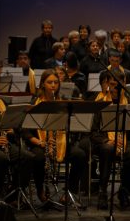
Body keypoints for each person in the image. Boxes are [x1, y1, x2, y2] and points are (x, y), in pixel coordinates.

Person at [22, 69, 87, 203]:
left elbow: (71, 127)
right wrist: (40, 143)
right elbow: (25, 131)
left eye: (56, 82)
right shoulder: (35, 102)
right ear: (43, 84)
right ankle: (40, 190)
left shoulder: (63, 102)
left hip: (60, 142)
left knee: (80, 155)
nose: (53, 85)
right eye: (49, 82)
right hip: (39, 142)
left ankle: (69, 190)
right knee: (39, 157)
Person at [0, 68, 34, 205]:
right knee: (1, 158)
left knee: (28, 158)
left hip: (2, 142)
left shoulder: (1, 103)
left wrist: (10, 131)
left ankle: (12, 193)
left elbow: (7, 126)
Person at [91, 69, 130, 209]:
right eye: (113, 84)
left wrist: (125, 141)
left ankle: (124, 191)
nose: (115, 88)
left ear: (124, 83)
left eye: (119, 84)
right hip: (104, 142)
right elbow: (93, 132)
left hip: (125, 142)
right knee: (108, 149)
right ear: (107, 84)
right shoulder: (100, 103)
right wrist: (107, 141)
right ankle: (102, 193)